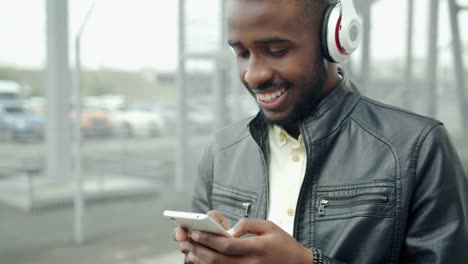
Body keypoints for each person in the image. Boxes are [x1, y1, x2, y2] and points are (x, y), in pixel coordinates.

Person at [174, 0, 468, 263]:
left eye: (276, 51)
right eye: (241, 53)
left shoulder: (416, 147)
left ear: (335, 41)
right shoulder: (221, 152)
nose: (253, 74)